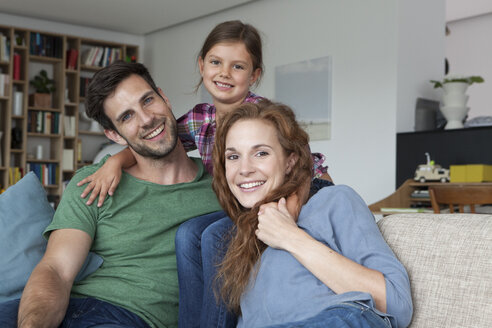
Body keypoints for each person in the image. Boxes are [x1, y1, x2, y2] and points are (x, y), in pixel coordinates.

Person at [0, 61, 222, 328]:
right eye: (126, 117)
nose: (147, 118)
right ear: (114, 135)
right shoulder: (93, 182)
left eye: (148, 100)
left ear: (164, 97)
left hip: (130, 318)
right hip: (57, 307)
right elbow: (56, 269)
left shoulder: (222, 188)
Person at [208, 100, 413, 328]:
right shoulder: (240, 240)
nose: (244, 169)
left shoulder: (335, 201)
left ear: (290, 161)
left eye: (261, 153)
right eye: (233, 157)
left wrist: (290, 236)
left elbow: (397, 304)